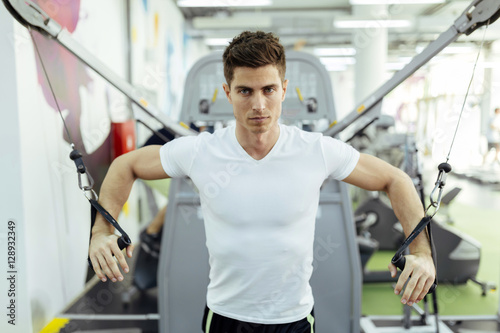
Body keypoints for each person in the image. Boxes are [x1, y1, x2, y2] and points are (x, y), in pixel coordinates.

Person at [89, 31, 435, 332]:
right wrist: (103, 231)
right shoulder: (201, 151)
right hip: (225, 317)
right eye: (245, 91)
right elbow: (125, 165)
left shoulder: (316, 150)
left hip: (294, 319)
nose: (258, 104)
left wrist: (420, 251)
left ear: (284, 89)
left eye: (269, 89)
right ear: (228, 93)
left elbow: (394, 178)